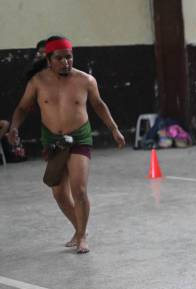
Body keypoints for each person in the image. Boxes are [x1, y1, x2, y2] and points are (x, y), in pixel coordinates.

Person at [7, 36, 126, 253]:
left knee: (79, 189)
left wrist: (114, 129)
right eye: (60, 58)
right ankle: (79, 228)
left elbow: (99, 105)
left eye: (69, 57)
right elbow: (23, 108)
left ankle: (82, 238)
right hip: (53, 141)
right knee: (59, 193)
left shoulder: (86, 80)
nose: (65, 62)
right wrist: (14, 127)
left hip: (80, 137)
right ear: (49, 59)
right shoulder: (38, 82)